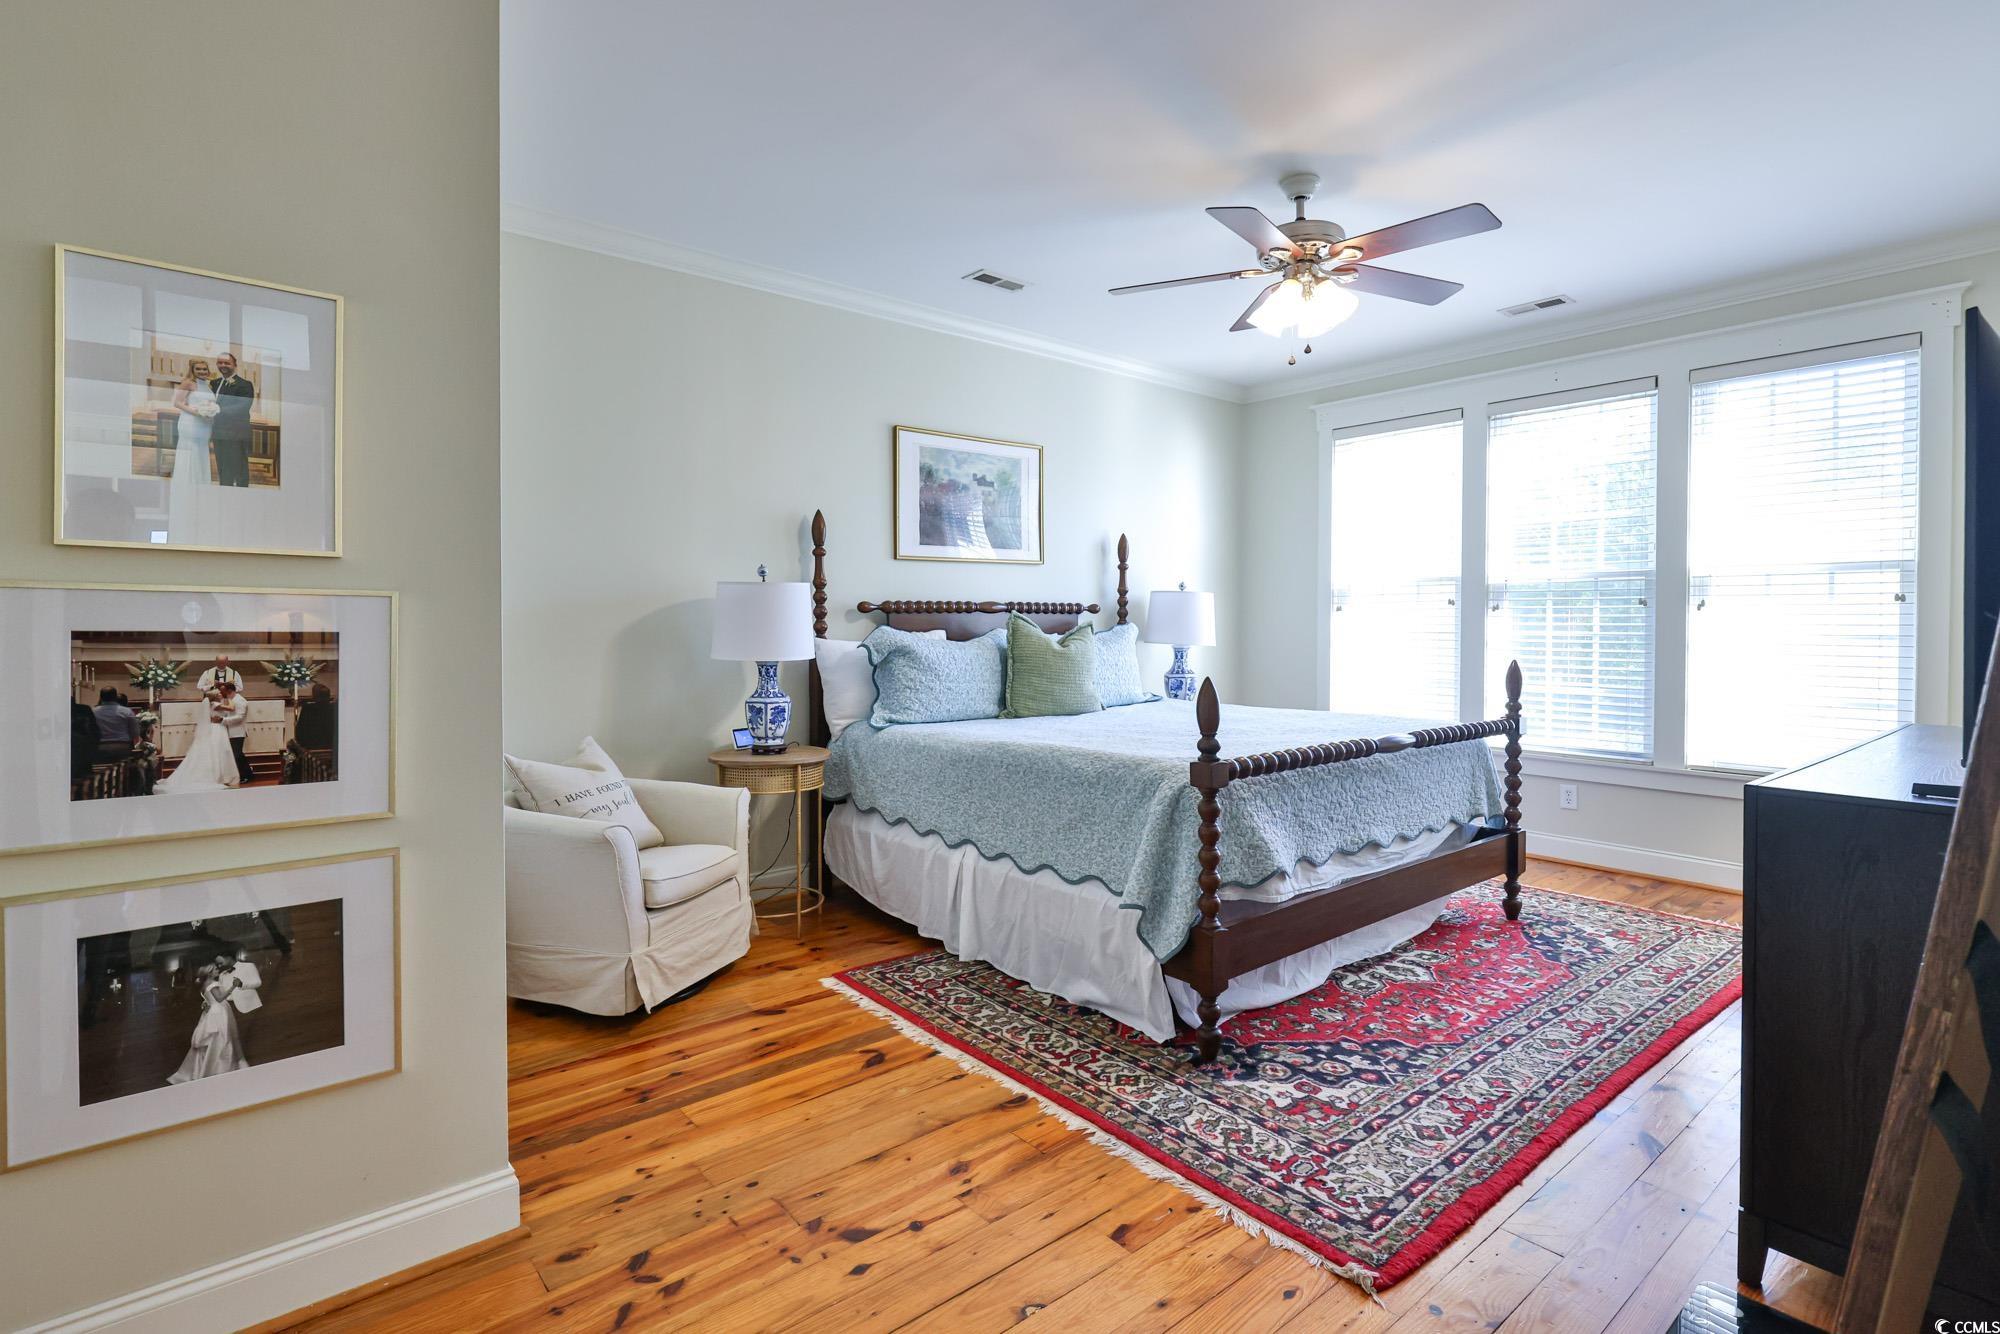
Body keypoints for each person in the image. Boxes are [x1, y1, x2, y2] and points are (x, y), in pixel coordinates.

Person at [167, 964, 249, 1084]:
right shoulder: (213, 984)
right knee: (223, 1038)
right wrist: (234, 986)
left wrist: (205, 1004)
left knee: (215, 1040)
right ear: (210, 973)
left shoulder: (204, 984)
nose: (217, 970)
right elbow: (220, 998)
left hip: (213, 1011)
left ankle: (207, 1067)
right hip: (219, 1012)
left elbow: (208, 999)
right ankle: (221, 1068)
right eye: (215, 969)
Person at [167, 358, 219, 536]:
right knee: (191, 451)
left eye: (204, 369)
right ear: (193, 369)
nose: (202, 372)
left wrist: (210, 411)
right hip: (191, 422)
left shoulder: (208, 385)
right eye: (199, 369)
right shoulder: (188, 383)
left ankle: (201, 485)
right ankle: (187, 486)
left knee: (201, 450)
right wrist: (196, 412)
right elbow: (177, 402)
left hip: (205, 425)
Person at [152, 689, 241, 793]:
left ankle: (222, 774)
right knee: (218, 749)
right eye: (219, 694)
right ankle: (218, 775)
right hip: (216, 728)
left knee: (221, 750)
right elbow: (231, 708)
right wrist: (228, 698)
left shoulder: (215, 704)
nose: (221, 694)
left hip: (219, 727)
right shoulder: (215, 704)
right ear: (215, 696)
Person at [208, 353, 256, 488]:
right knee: (222, 465)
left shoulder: (245, 384)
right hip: (218, 431)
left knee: (239, 467)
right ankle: (225, 489)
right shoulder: (214, 383)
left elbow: (243, 406)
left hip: (236, 432)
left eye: (227, 363)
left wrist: (218, 409)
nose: (223, 365)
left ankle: (241, 492)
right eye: (220, 363)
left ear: (235, 365)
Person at [215, 681, 253, 786]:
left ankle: (244, 776)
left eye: (223, 691)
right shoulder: (231, 700)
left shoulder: (240, 701)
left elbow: (240, 717)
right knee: (239, 755)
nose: (221, 693)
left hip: (237, 732)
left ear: (229, 690)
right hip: (230, 731)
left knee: (236, 755)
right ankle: (248, 774)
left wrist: (223, 720)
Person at [90, 687, 138, 765]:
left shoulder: (93, 712)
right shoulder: (126, 711)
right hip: (122, 747)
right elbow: (135, 733)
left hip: (101, 747)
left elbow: (90, 731)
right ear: (115, 697)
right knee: (124, 767)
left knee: (102, 768)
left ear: (101, 697)